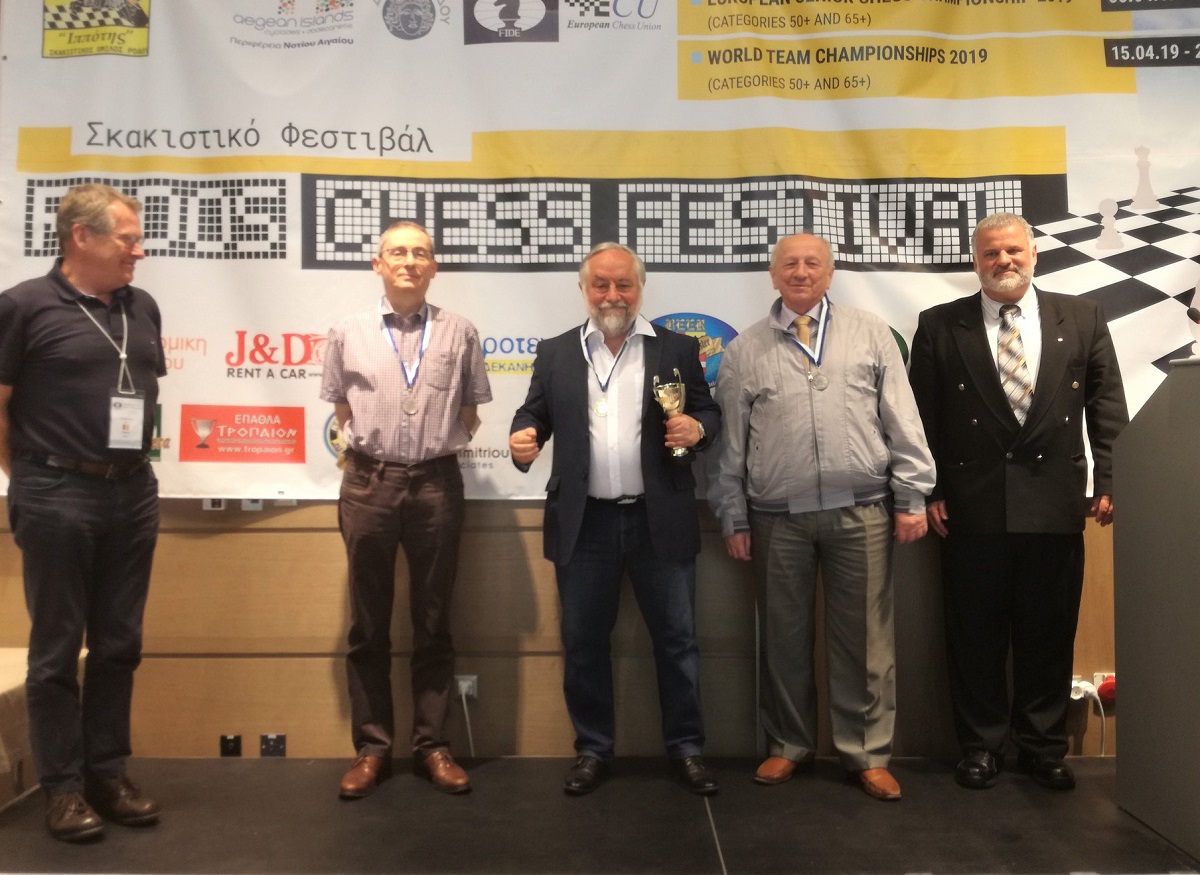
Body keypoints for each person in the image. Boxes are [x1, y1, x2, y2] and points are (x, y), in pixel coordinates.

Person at [708, 232, 934, 801]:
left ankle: (867, 753)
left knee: (866, 641)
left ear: (830, 274)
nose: (801, 272)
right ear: (773, 274)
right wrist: (733, 515)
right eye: (790, 263)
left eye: (813, 263)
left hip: (862, 512)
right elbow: (731, 444)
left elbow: (902, 419)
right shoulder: (746, 349)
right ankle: (788, 745)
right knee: (782, 637)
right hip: (776, 518)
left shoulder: (871, 332)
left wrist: (912, 496)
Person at [909, 212, 1128, 790]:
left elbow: (1107, 406)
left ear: (1034, 255)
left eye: (1012, 251)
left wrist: (1112, 479)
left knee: (1048, 634)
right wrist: (930, 489)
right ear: (975, 261)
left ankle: (1042, 747)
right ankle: (980, 747)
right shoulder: (939, 325)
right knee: (974, 637)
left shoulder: (1082, 316)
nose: (1003, 261)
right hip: (969, 506)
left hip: (1054, 502)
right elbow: (921, 419)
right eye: (990, 253)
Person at [509, 242, 722, 796]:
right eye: (600, 284)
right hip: (585, 524)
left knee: (677, 641)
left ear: (640, 288)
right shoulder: (555, 352)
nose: (612, 295)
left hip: (659, 517)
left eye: (623, 284)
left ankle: (687, 749)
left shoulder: (676, 347)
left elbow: (706, 408)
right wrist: (523, 436)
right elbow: (533, 413)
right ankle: (593, 749)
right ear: (584, 289)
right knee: (583, 643)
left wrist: (698, 428)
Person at [0, 183, 165, 841]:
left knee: (120, 643)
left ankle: (107, 773)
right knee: (58, 647)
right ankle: (63, 789)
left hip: (133, 491)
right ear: (81, 237)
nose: (139, 251)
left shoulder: (141, 307)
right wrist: (31, 477)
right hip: (55, 492)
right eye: (128, 239)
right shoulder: (23, 306)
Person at [321, 221, 492, 798]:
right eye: (397, 252)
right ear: (378, 264)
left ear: (433, 267)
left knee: (433, 618)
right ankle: (371, 749)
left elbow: (470, 412)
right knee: (368, 621)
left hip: (437, 484)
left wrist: (428, 449)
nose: (409, 261)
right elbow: (342, 408)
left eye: (421, 253)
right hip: (368, 483)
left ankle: (431, 745)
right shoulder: (347, 331)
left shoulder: (460, 330)